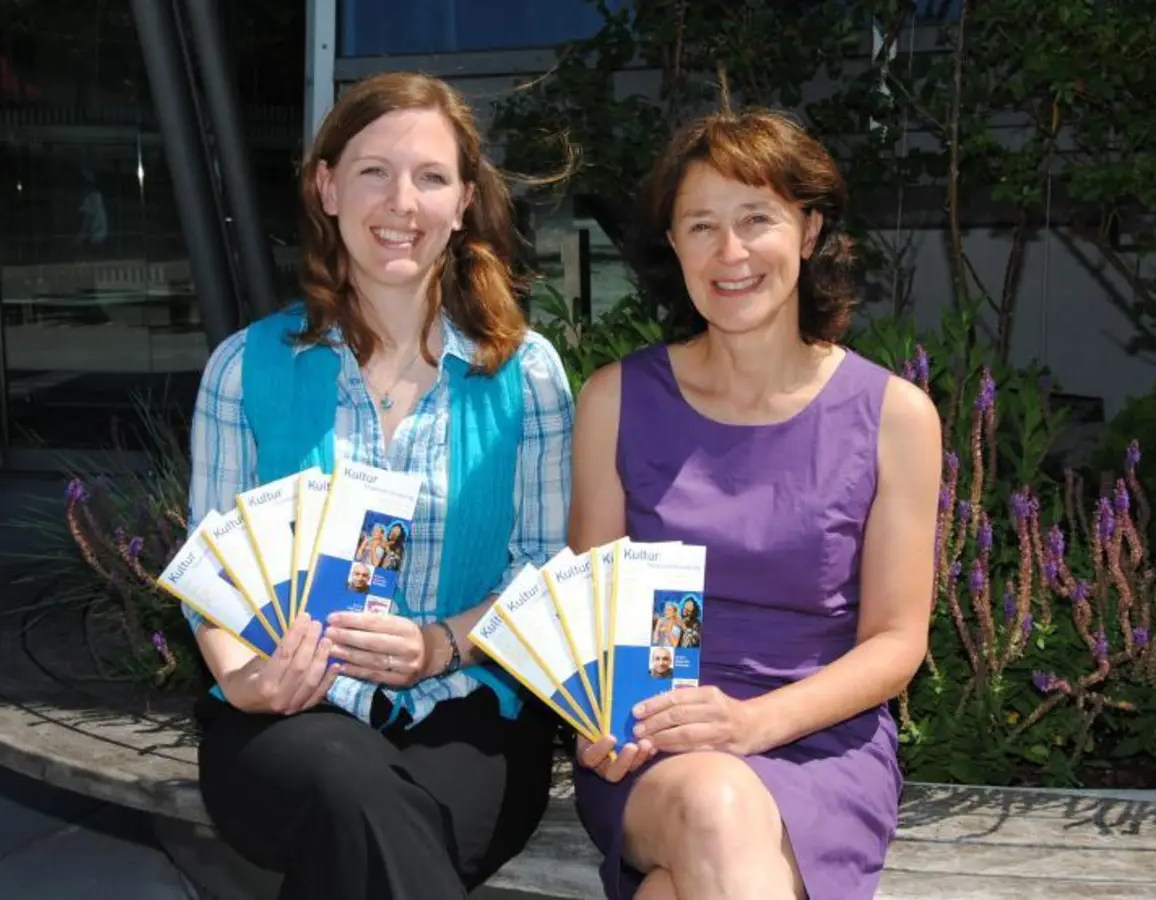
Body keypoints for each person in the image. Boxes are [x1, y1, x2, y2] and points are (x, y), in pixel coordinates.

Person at [181, 71, 575, 900]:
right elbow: (210, 572)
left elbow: (542, 570)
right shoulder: (245, 368)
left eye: (431, 177)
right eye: (373, 172)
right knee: (344, 784)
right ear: (326, 186)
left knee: (365, 840)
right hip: (286, 715)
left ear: (464, 201)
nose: (402, 202)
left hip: (475, 711)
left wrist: (441, 644)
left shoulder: (526, 375)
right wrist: (250, 680)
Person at [567, 106, 943, 900]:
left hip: (821, 743)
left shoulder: (895, 415)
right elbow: (590, 618)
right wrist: (598, 715)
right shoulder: (616, 399)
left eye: (756, 219)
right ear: (673, 245)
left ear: (808, 230)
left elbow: (896, 640)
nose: (729, 253)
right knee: (715, 803)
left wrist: (752, 724)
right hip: (653, 741)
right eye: (700, 225)